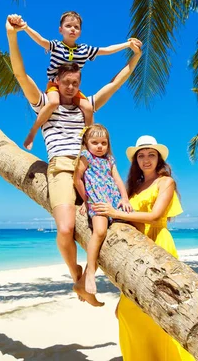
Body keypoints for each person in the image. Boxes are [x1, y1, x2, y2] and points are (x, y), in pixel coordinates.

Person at [6, 14, 142, 307]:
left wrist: (136, 57)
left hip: (95, 172)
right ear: (55, 81)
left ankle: (97, 275)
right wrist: (12, 35)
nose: (70, 87)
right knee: (66, 229)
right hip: (63, 169)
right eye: (65, 82)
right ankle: (76, 274)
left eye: (75, 82)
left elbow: (116, 82)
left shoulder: (86, 104)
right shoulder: (44, 103)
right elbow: (20, 74)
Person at [92, 135, 195, 361]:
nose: (146, 159)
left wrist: (115, 213)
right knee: (129, 311)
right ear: (136, 161)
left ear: (159, 158)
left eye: (151, 155)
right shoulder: (133, 187)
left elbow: (156, 216)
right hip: (136, 249)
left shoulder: (165, 182)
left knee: (163, 307)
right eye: (141, 155)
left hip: (159, 244)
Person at [18, 11, 135, 150]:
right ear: (60, 30)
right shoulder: (56, 45)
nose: (73, 29)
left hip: (73, 88)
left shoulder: (84, 49)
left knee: (88, 108)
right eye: (68, 26)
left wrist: (127, 45)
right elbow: (41, 40)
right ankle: (33, 132)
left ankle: (87, 141)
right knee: (54, 102)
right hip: (55, 85)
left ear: (80, 32)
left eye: (76, 27)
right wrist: (25, 27)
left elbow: (106, 50)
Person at [73, 124, 132, 296]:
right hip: (97, 200)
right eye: (95, 142)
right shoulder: (85, 157)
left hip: (113, 200)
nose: (99, 146)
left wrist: (125, 198)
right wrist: (86, 200)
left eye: (103, 143)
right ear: (86, 143)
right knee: (99, 232)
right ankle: (90, 273)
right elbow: (77, 180)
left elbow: (118, 180)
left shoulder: (109, 160)